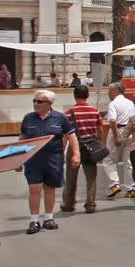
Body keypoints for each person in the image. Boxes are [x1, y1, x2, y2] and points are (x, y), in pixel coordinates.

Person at [20, 89, 77, 235]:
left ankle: (48, 218)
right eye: (34, 101)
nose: (35, 104)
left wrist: (76, 154)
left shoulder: (60, 118)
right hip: (33, 159)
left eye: (39, 101)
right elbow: (22, 139)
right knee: (34, 188)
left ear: (49, 103)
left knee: (50, 188)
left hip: (54, 158)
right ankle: (34, 220)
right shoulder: (28, 118)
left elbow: (71, 136)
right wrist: (17, 159)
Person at [60, 84, 104, 215]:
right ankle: (90, 204)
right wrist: (99, 142)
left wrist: (62, 151)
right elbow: (100, 129)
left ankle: (69, 203)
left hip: (75, 148)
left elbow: (65, 135)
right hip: (91, 146)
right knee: (91, 177)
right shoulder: (95, 111)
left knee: (71, 177)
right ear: (87, 96)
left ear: (74, 96)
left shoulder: (68, 114)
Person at [101, 82, 135, 199]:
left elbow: (112, 121)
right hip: (130, 132)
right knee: (129, 161)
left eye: (109, 91)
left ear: (115, 91)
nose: (108, 94)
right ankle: (130, 188)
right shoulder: (131, 103)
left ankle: (114, 184)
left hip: (118, 130)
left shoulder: (113, 104)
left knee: (109, 160)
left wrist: (116, 136)